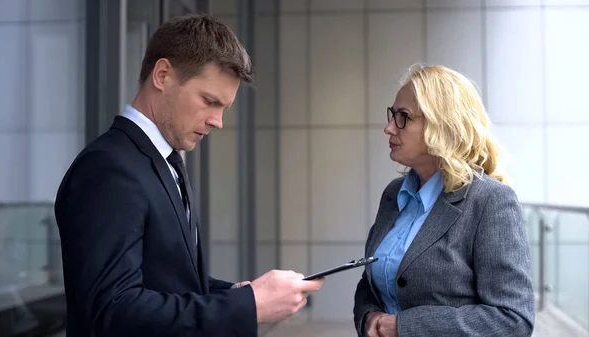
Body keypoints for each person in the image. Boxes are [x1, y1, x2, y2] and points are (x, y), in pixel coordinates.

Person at [55, 14, 324, 337]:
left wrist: (240, 294)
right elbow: (113, 310)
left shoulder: (163, 161)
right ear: (163, 75)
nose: (218, 121)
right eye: (210, 101)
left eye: (224, 107)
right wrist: (247, 305)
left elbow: (170, 285)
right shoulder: (108, 169)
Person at [353, 65, 534, 337]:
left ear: (443, 125)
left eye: (403, 117)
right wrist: (369, 318)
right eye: (392, 115)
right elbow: (372, 281)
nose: (389, 128)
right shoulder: (393, 194)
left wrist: (404, 327)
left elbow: (512, 319)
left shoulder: (490, 201)